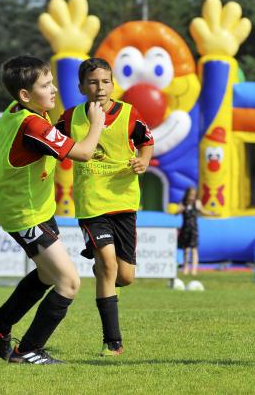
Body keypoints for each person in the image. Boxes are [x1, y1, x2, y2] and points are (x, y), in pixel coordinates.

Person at [0, 55, 105, 365]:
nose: (53, 89)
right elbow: (82, 152)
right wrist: (97, 124)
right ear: (25, 94)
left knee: (46, 274)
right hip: (26, 214)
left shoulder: (15, 111)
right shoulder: (33, 124)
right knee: (68, 282)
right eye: (46, 85)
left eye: (52, 81)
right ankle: (28, 350)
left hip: (35, 210)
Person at [55, 57, 154, 357]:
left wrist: (144, 160)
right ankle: (112, 342)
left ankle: (102, 268)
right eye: (94, 82)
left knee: (125, 276)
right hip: (91, 205)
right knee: (109, 266)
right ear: (82, 86)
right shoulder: (70, 118)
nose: (101, 87)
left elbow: (146, 141)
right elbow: (50, 144)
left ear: (113, 83)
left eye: (106, 81)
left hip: (124, 203)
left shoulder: (129, 114)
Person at [177, 186, 216, 276]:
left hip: (194, 229)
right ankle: (185, 268)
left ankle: (194, 269)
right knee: (186, 250)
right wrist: (180, 209)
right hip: (185, 228)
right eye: (190, 195)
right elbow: (176, 212)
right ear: (187, 195)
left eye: (194, 195)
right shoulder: (183, 203)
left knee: (194, 250)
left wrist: (212, 213)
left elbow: (202, 211)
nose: (192, 197)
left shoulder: (197, 203)